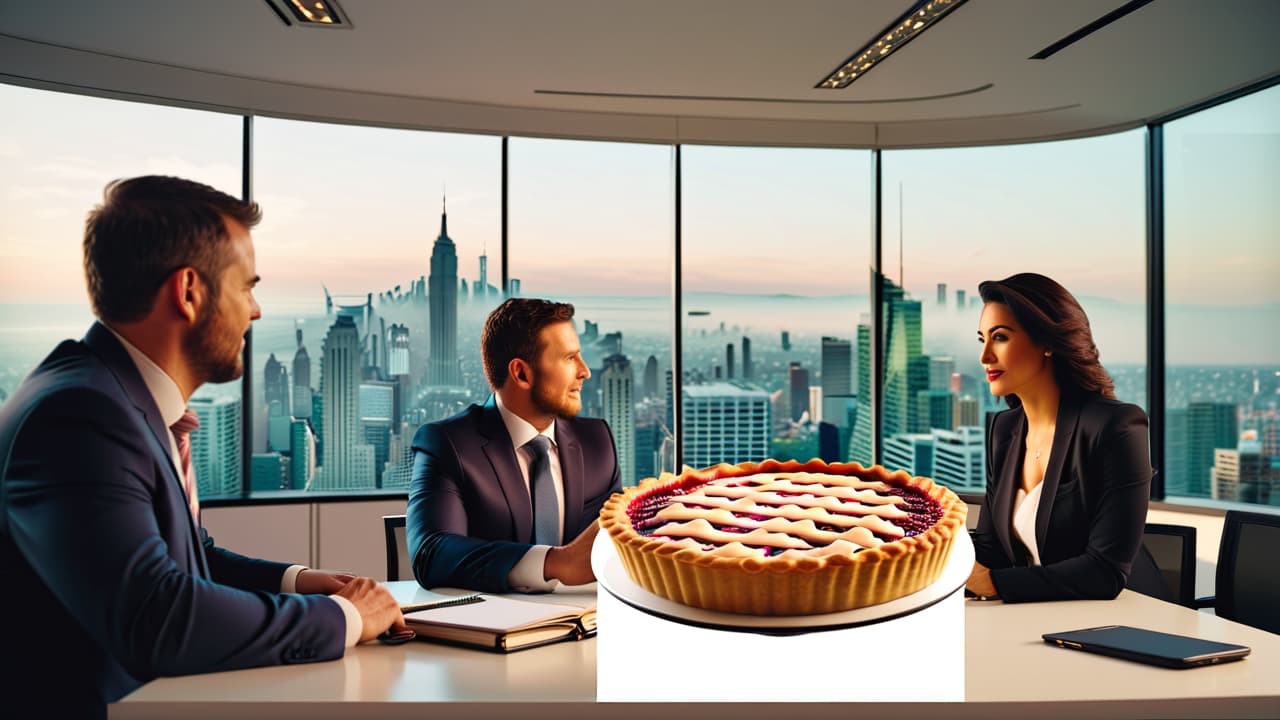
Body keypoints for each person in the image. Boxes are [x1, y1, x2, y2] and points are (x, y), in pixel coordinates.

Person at [0, 176, 407, 716]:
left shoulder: (115, 399)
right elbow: (158, 614)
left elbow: (185, 559)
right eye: (247, 287)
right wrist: (345, 619)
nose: (256, 311)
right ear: (189, 292)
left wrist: (302, 583)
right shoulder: (79, 416)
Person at [965, 273, 1166, 604]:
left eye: (1000, 337)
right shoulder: (1004, 430)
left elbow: (1105, 571)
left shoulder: (1115, 426)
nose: (985, 356)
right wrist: (912, 544)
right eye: (981, 339)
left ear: (1046, 343)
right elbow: (991, 548)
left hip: (1125, 621)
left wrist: (993, 584)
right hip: (1039, 617)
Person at [407, 298, 622, 593]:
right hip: (490, 626)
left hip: (585, 626)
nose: (584, 371)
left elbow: (615, 541)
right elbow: (432, 553)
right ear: (521, 373)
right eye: (569, 358)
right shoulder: (449, 444)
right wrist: (557, 562)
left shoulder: (596, 442)